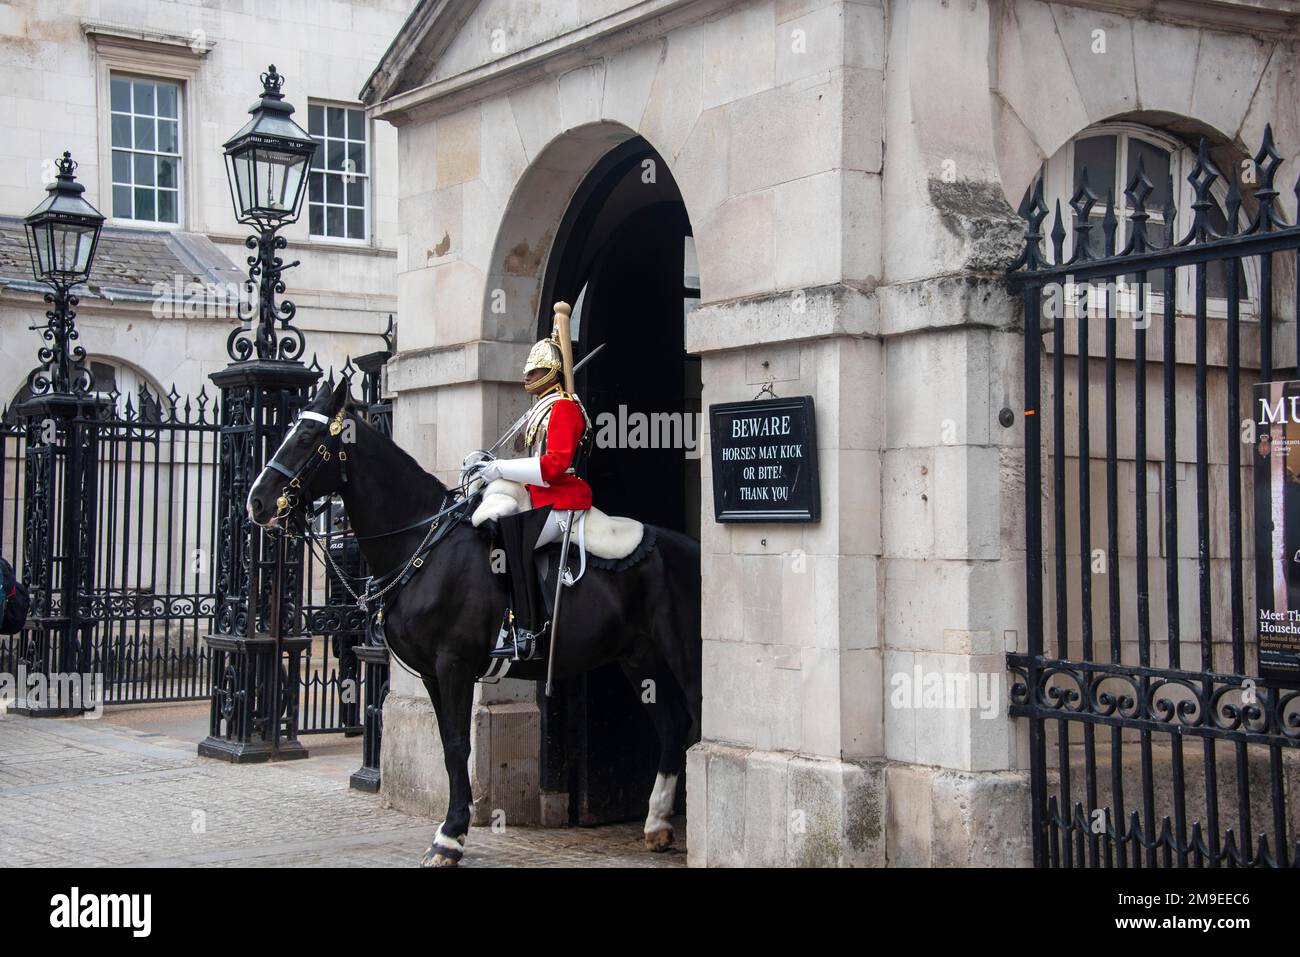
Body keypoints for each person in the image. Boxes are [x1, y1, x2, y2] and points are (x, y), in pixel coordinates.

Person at [476, 328, 592, 660]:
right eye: (528, 371)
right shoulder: (543, 408)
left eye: (536, 370)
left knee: (514, 537)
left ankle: (526, 631)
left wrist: (501, 469)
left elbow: (553, 466)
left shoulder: (565, 409)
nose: (529, 376)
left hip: (563, 499)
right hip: (541, 496)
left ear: (553, 371)